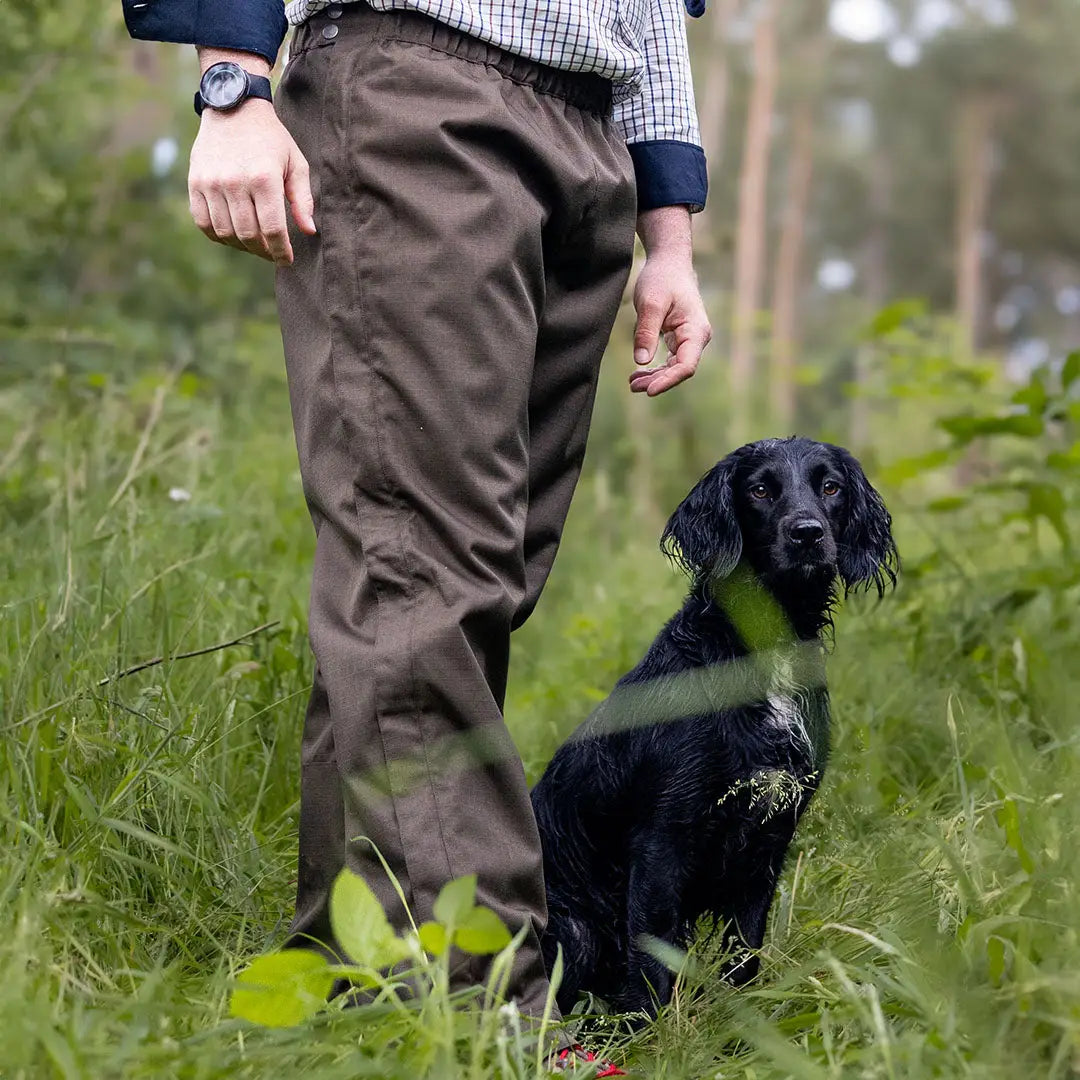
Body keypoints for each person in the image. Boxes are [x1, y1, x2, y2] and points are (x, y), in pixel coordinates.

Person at [123, 0, 712, 1046]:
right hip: (416, 86)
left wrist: (671, 231)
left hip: (588, 139)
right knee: (421, 576)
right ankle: (487, 1016)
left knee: (453, 585)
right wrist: (232, 83)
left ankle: (352, 977)